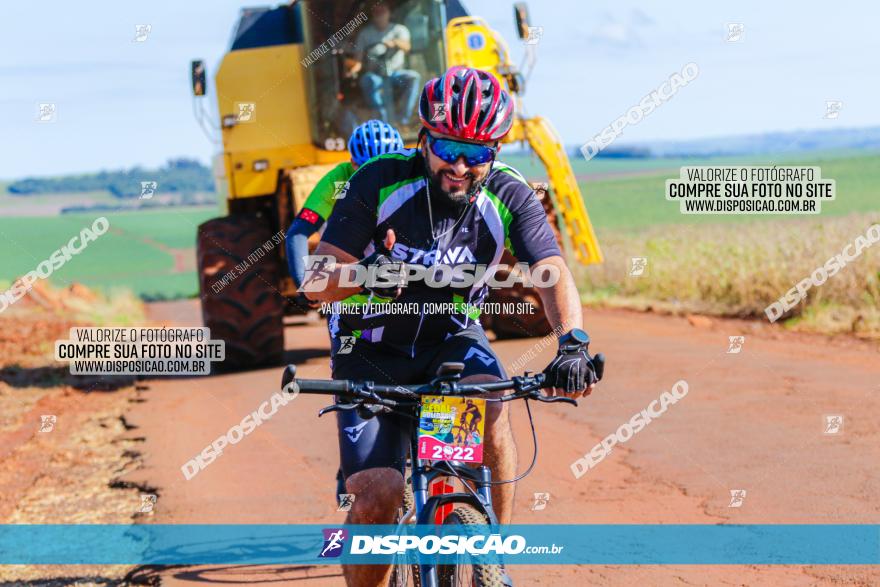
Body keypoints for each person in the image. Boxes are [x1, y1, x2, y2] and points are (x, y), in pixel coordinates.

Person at [304, 66, 604, 587]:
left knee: (492, 403)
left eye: (478, 153)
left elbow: (553, 274)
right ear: (424, 138)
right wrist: (370, 274)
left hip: (450, 340)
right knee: (379, 496)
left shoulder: (509, 196)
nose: (460, 165)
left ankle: (494, 559)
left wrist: (572, 342)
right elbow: (317, 283)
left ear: (495, 152)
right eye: (447, 147)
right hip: (369, 347)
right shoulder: (377, 180)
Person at [285, 120, 404, 294]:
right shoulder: (337, 180)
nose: (377, 178)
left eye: (385, 170)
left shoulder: (411, 173)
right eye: (368, 170)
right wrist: (305, 285)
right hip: (349, 277)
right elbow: (298, 232)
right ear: (353, 163)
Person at [347, 4, 420, 126]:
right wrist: (352, 70)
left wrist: (395, 43)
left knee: (414, 77)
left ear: (389, 14)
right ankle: (382, 120)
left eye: (383, 12)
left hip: (396, 74)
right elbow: (358, 61)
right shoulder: (365, 34)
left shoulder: (399, 30)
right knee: (367, 80)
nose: (380, 16)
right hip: (376, 75)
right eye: (376, 13)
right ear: (372, 16)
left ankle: (403, 119)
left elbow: (407, 47)